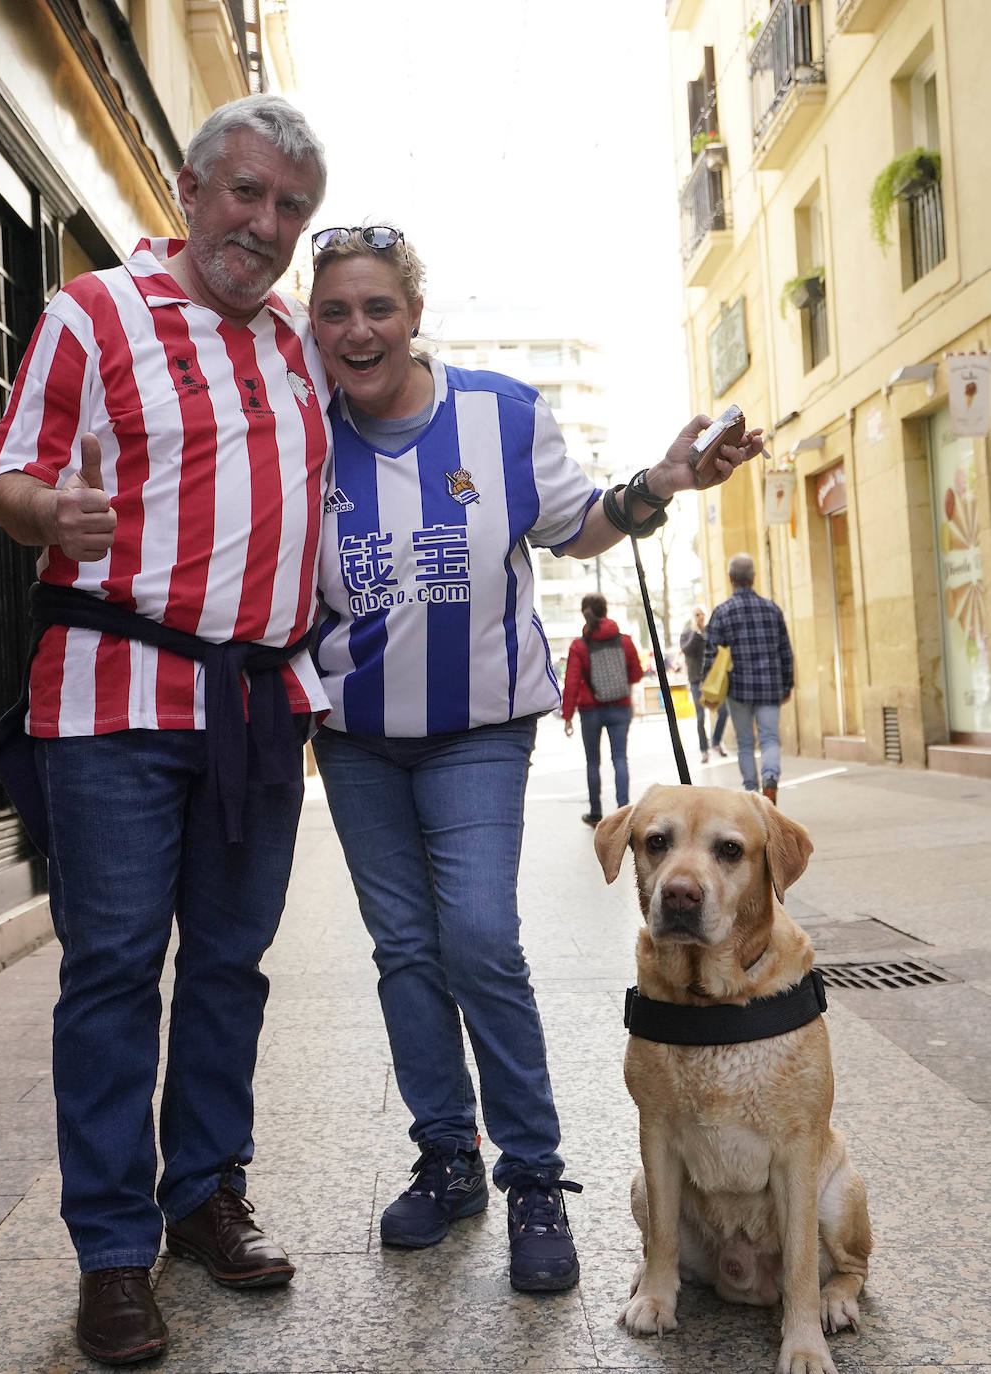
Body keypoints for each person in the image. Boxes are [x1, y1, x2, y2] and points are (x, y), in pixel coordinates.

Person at [305, 225, 763, 1294]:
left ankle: (534, 1177)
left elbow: (583, 522)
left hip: (476, 729)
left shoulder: (498, 415)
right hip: (357, 739)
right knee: (404, 952)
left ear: (414, 315)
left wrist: (662, 480)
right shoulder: (303, 427)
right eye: (334, 312)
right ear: (312, 327)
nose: (357, 330)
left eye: (377, 307)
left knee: (475, 937)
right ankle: (446, 1160)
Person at [0, 95, 331, 1366]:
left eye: (290, 207)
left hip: (256, 705)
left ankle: (203, 1197)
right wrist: (45, 517)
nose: (266, 224)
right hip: (114, 700)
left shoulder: (293, 341)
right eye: (245, 193)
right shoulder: (92, 311)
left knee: (232, 966)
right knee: (117, 970)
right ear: (189, 191)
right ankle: (114, 1251)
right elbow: (11, 470)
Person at [702, 553, 794, 804]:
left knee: (745, 742)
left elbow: (710, 654)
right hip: (770, 686)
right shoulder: (772, 609)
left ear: (730, 579)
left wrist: (707, 689)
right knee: (769, 738)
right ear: (753, 578)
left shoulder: (722, 612)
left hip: (737, 688)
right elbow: (785, 650)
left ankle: (753, 793)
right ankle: (771, 778)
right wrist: (788, 684)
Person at [560, 593, 643, 827]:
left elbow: (572, 682)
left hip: (590, 710)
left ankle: (596, 812)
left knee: (592, 762)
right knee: (620, 758)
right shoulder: (624, 641)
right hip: (620, 707)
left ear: (584, 613)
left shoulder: (579, 645)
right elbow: (636, 673)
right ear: (606, 610)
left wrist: (567, 716)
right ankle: (624, 811)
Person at [680, 604, 729, 763]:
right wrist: (696, 633)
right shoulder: (688, 633)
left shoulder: (711, 632)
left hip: (712, 680)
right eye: (696, 615)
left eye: (701, 614)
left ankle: (716, 741)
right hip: (696, 680)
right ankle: (704, 750)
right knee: (700, 716)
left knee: (723, 711)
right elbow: (687, 650)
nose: (699, 617)